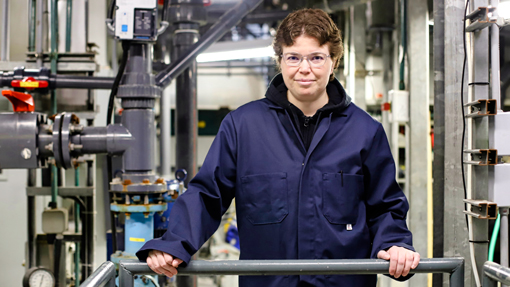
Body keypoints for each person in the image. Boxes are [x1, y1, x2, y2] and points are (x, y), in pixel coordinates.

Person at [137, 8, 420, 286]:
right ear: (280, 60)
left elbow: (385, 206)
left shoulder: (365, 131)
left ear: (334, 61)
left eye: (317, 58)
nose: (304, 69)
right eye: (293, 57)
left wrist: (394, 243)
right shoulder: (243, 126)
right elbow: (208, 194)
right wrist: (173, 243)